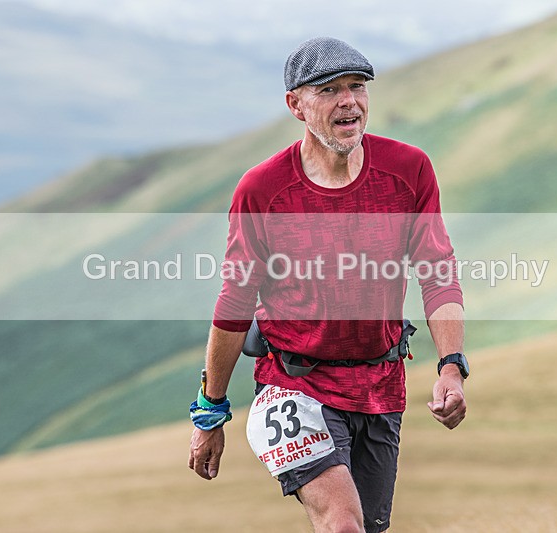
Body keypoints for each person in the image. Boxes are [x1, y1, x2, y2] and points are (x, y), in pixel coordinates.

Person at [188, 37, 468, 533]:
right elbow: (235, 301)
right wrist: (210, 409)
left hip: (381, 386)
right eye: (329, 89)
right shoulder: (263, 189)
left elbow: (437, 272)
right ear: (296, 104)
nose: (349, 101)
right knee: (342, 523)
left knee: (368, 527)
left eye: (357, 87)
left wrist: (451, 366)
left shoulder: (408, 170)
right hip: (294, 385)